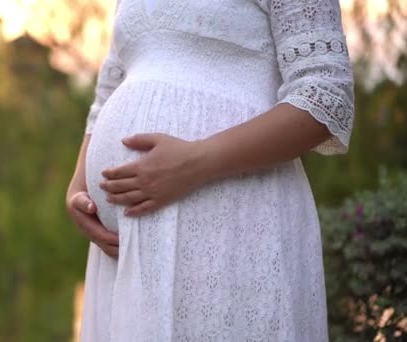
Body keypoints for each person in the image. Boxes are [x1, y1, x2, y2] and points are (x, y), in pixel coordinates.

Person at [65, 0, 354, 340]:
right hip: (124, 251)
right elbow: (108, 91)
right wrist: (78, 186)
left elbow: (325, 97)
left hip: (234, 226)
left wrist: (196, 161)